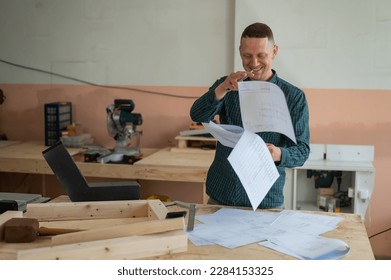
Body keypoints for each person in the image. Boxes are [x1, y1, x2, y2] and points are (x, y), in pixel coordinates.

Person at [190, 22, 310, 209]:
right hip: (221, 195)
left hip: (266, 202)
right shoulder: (227, 85)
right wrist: (222, 89)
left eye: (261, 55)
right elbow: (197, 114)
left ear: (274, 51)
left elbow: (302, 151)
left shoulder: (294, 97)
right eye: (247, 56)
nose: (254, 63)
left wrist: (278, 153)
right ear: (240, 52)